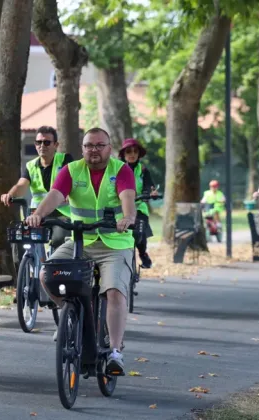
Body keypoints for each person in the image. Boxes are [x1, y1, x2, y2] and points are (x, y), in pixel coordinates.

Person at [25, 127, 136, 376]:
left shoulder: (121, 170)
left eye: (99, 145)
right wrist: (37, 215)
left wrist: (128, 217)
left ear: (109, 147)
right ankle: (70, 314)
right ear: (82, 148)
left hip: (114, 243)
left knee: (115, 292)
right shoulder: (72, 170)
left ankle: (116, 352)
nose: (93, 150)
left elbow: (127, 196)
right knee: (47, 274)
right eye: (88, 146)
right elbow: (55, 194)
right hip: (79, 242)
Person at [1, 126, 73, 250]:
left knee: (58, 241)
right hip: (37, 214)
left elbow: (72, 180)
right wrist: (10, 194)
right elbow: (21, 185)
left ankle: (51, 265)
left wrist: (68, 192)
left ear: (56, 145)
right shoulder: (31, 165)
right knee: (21, 238)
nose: (42, 145)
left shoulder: (65, 160)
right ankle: (30, 263)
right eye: (38, 142)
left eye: (46, 142)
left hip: (61, 215)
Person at [118, 138, 157, 268]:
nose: (132, 154)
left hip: (139, 207)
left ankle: (143, 254)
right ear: (124, 154)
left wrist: (150, 193)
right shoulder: (117, 169)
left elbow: (149, 186)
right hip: (121, 209)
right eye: (128, 151)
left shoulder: (143, 170)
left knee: (139, 234)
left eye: (135, 151)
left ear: (139, 153)